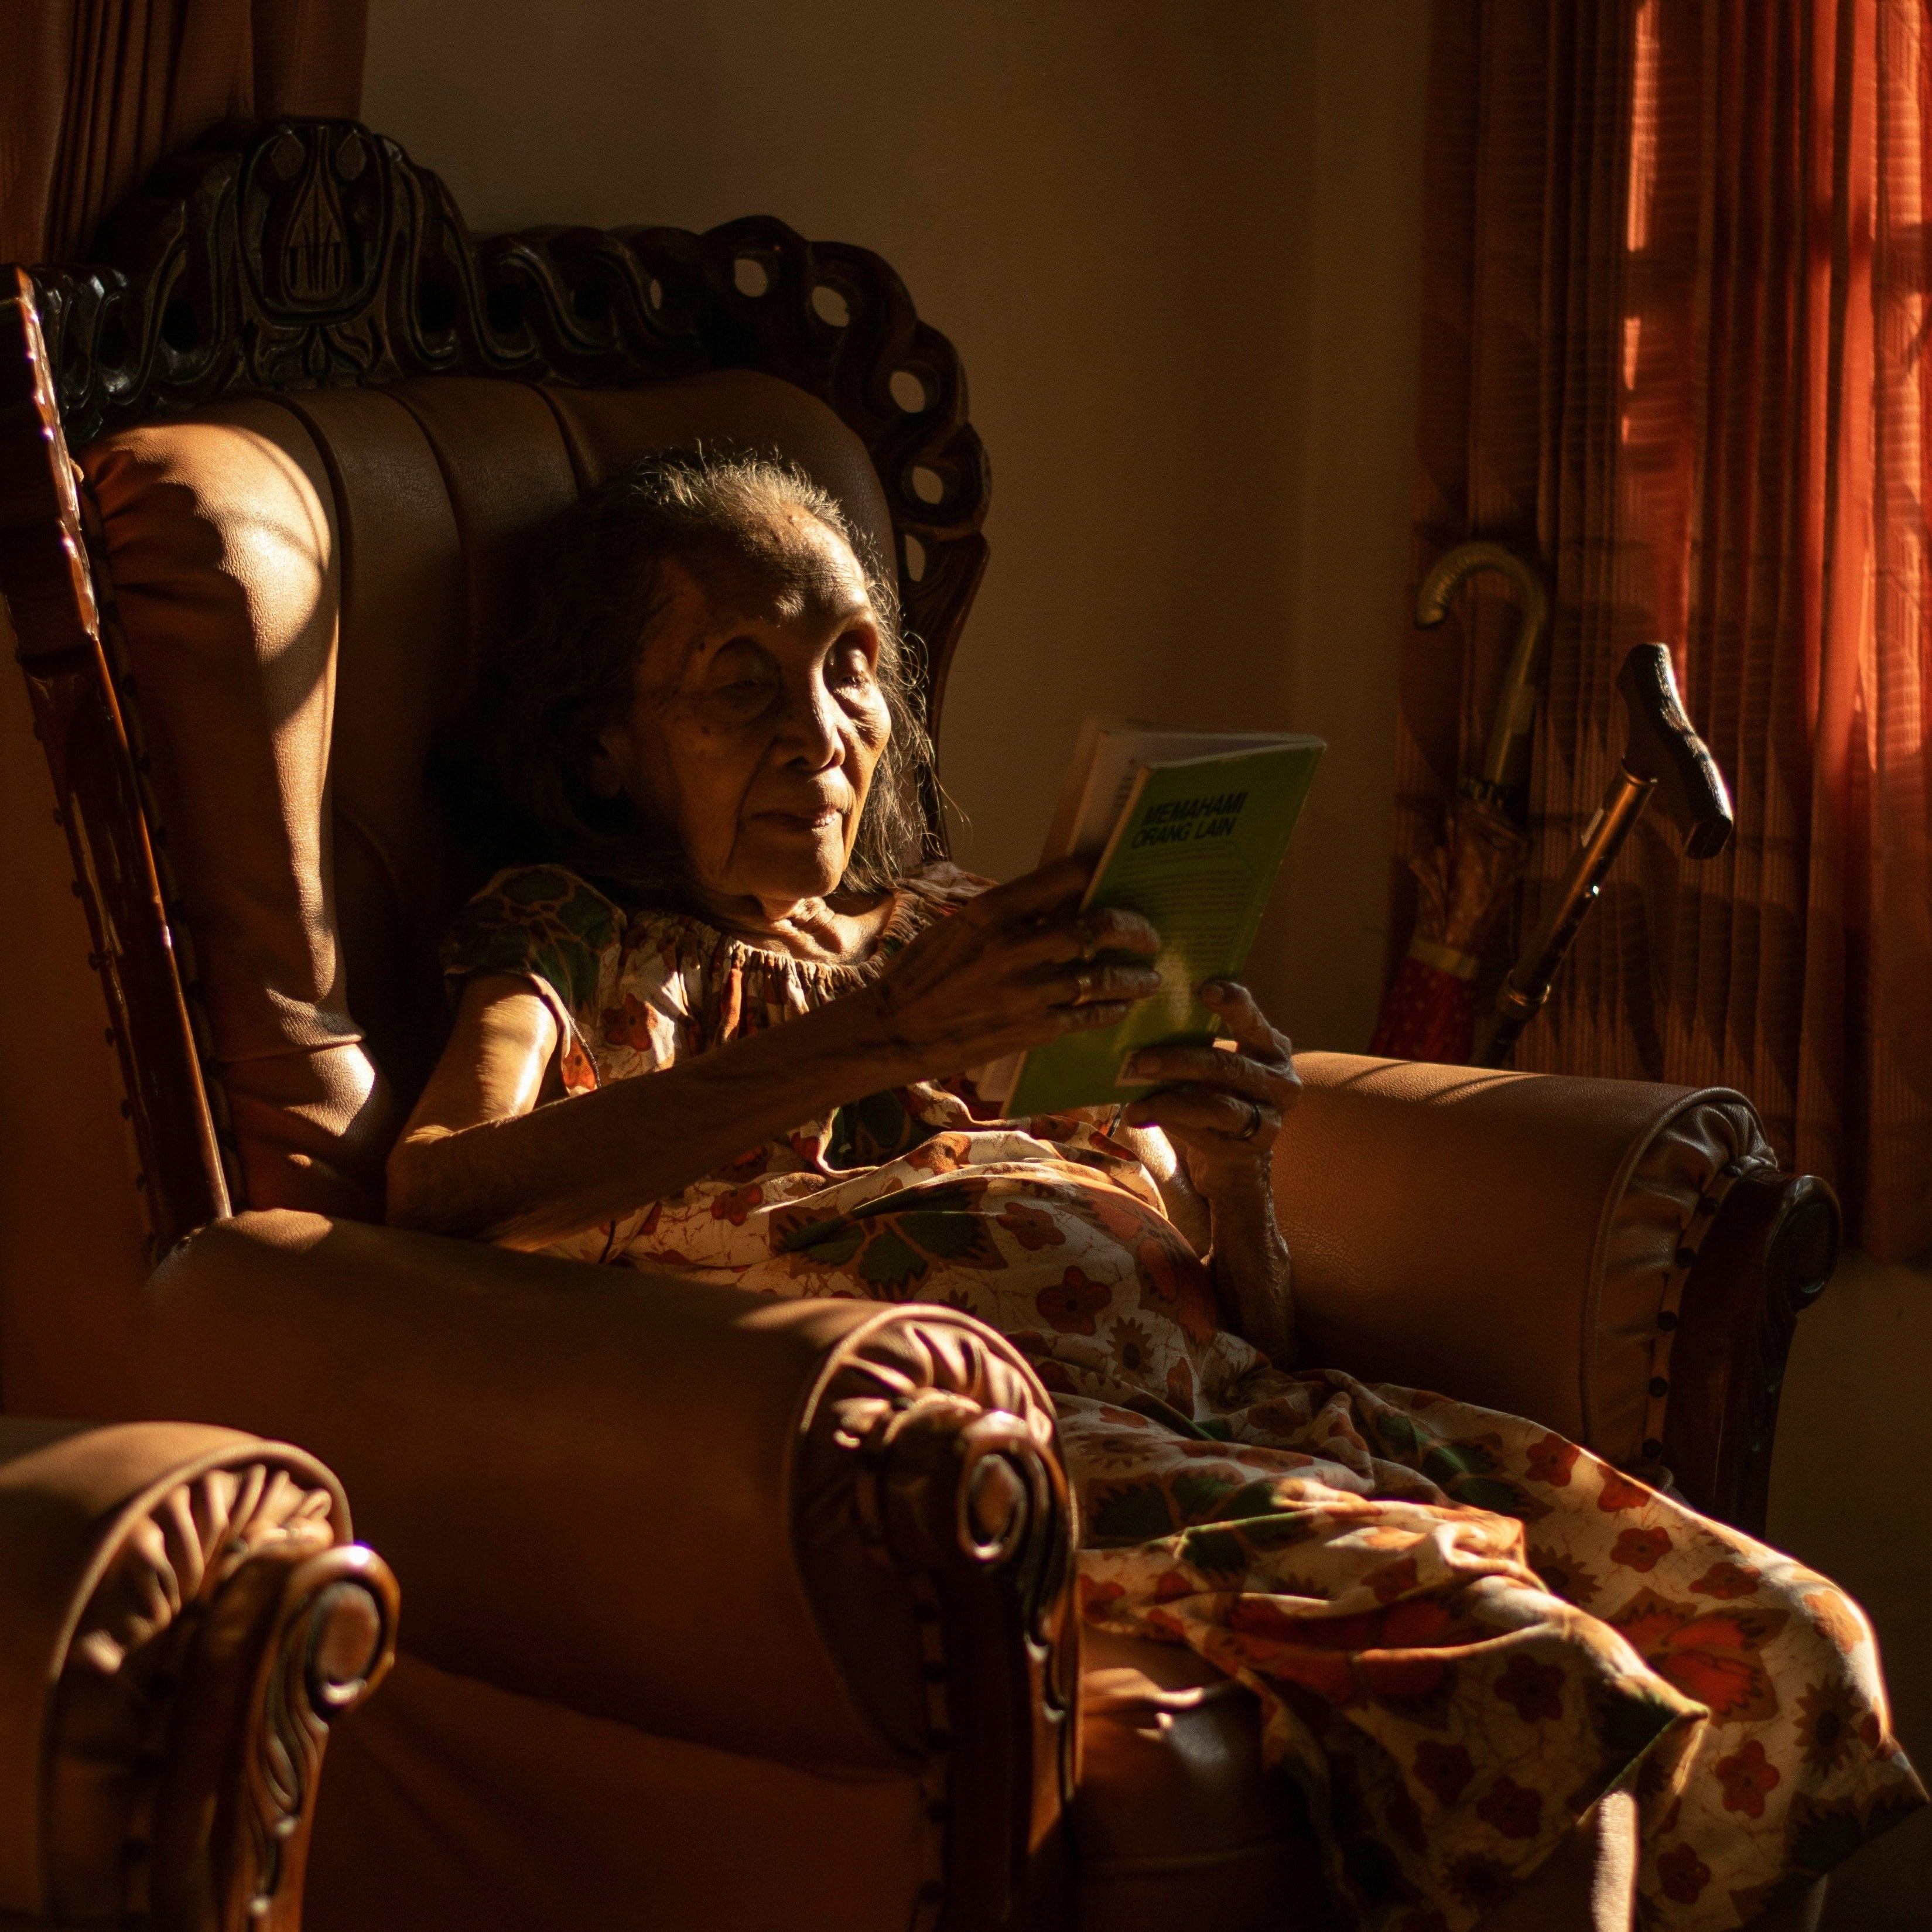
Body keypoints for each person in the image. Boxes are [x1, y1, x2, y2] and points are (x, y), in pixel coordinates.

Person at [391, 449, 1921, 1932]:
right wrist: (883, 1037)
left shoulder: (965, 935)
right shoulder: (582, 934)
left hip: (1242, 1410)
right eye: (741, 683)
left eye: (851, 667)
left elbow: (1250, 1325)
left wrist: (1241, 1177)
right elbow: (438, 1191)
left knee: (1787, 1647)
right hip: (1006, 1455)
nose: (820, 730)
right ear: (604, 747)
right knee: (1534, 1682)